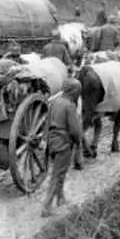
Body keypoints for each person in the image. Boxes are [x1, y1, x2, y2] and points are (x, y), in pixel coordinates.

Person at [41, 78, 83, 218]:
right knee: (57, 174)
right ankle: (46, 206)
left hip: (52, 141)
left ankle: (60, 198)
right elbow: (75, 130)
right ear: (74, 91)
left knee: (60, 171)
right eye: (78, 91)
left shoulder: (54, 102)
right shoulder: (69, 106)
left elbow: (46, 122)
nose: (79, 93)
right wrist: (78, 143)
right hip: (64, 143)